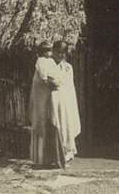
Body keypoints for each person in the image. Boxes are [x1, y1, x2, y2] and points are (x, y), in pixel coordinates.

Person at [29, 41, 64, 169]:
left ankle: (50, 159)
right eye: (46, 51)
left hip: (47, 99)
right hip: (42, 99)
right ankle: (41, 159)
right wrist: (54, 83)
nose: (48, 53)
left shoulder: (49, 62)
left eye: (49, 50)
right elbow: (46, 78)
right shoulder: (41, 62)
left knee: (49, 125)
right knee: (42, 125)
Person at [51, 39, 81, 164]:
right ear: (53, 51)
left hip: (65, 100)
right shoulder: (48, 65)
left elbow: (69, 86)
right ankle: (54, 156)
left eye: (63, 53)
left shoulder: (68, 67)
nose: (61, 55)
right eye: (58, 52)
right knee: (55, 125)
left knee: (66, 125)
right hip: (53, 100)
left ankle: (66, 153)